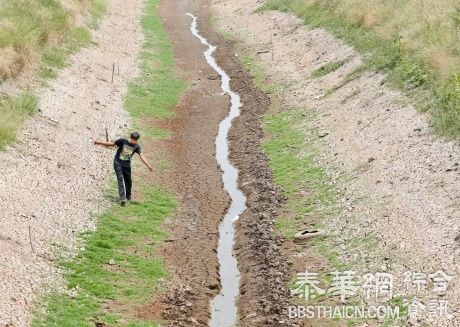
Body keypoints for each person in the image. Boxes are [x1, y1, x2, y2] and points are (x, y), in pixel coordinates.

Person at [94, 131, 153, 205]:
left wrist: (148, 165)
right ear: (130, 138)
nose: (134, 142)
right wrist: (99, 142)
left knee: (128, 181)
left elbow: (141, 156)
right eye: (133, 140)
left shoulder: (136, 147)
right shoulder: (122, 141)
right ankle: (122, 198)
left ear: (137, 140)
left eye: (135, 140)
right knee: (120, 179)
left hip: (127, 165)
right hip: (117, 163)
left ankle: (128, 195)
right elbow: (112, 143)